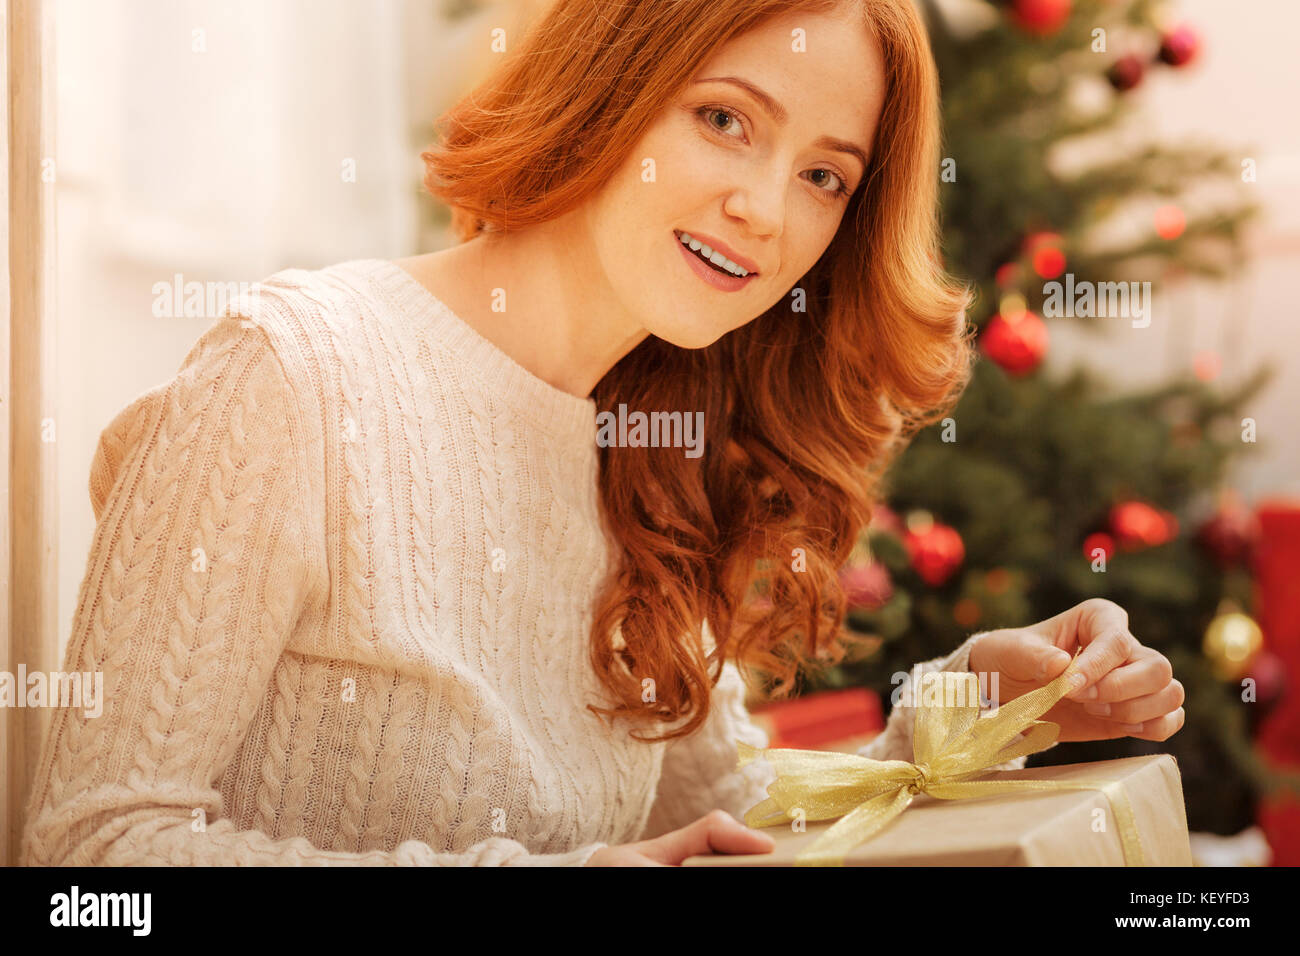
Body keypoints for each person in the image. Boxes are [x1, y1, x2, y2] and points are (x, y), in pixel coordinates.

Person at [22, 0, 1183, 868]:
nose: (767, 213)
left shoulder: (665, 444)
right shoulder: (290, 374)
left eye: (824, 176)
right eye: (726, 120)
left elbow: (717, 819)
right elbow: (88, 856)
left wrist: (976, 706)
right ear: (610, 80)